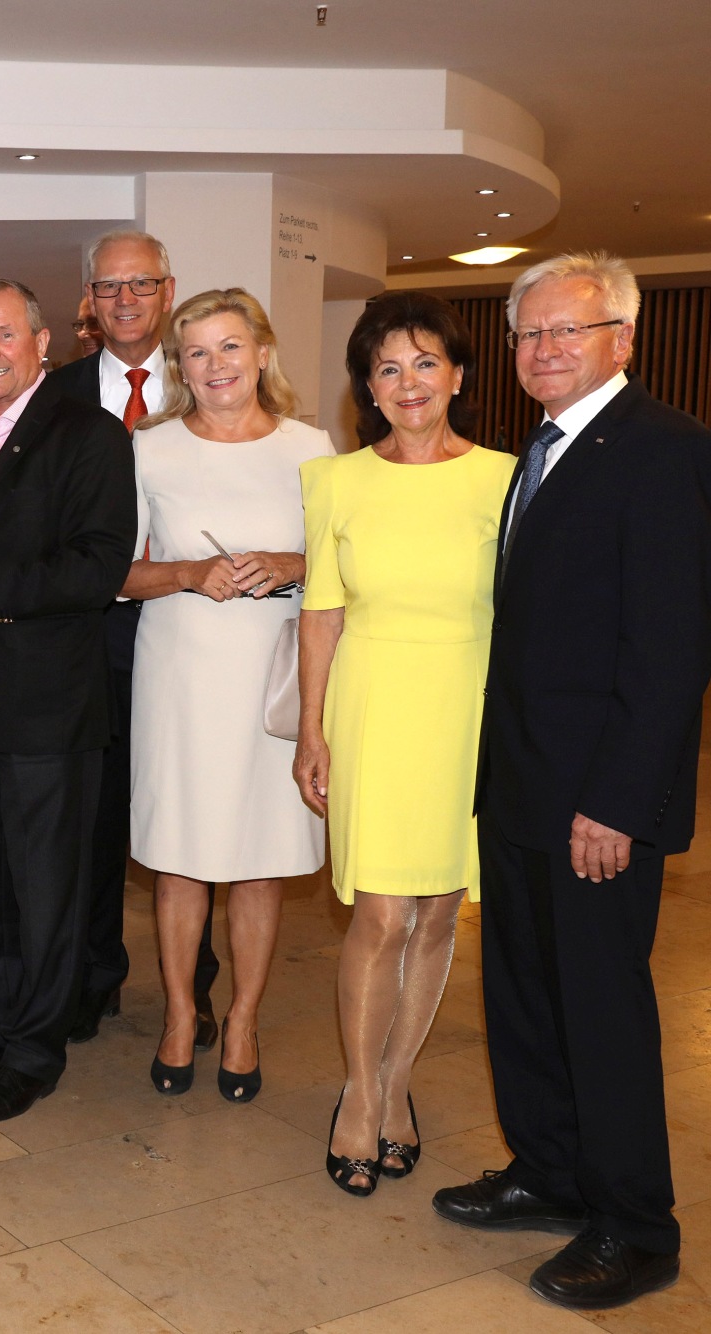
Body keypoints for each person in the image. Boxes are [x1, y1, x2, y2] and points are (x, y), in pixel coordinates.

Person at [433, 252, 711, 1311]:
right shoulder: (537, 452)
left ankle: (636, 1224)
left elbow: (668, 649)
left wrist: (617, 801)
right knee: (521, 999)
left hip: (592, 802)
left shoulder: (663, 451)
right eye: (527, 334)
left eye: (567, 330)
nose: (542, 350)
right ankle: (548, 1168)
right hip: (517, 789)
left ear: (622, 339)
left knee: (599, 1010)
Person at [296, 293, 513, 1195]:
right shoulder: (334, 481)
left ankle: (397, 1083)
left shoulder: (508, 476)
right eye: (389, 367)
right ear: (368, 388)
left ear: (458, 375)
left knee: (436, 911)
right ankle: (357, 1090)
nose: (409, 382)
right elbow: (321, 610)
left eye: (427, 363)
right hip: (374, 705)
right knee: (382, 912)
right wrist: (310, 727)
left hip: (470, 706)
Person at [0, 279, 136, 1123]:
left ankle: (37, 1053)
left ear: (44, 343)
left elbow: (97, 569)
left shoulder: (89, 437)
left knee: (45, 887)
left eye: (4, 335)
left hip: (48, 703)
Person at [124, 287, 327, 1102]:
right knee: (179, 862)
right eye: (197, 352)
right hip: (179, 672)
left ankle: (242, 1020)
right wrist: (188, 574)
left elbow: (346, 566)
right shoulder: (150, 449)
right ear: (181, 367)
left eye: (230, 347)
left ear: (263, 353)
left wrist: (289, 564)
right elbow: (118, 572)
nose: (216, 366)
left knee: (259, 863)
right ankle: (180, 1014)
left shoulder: (313, 449)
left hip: (272, 677)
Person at [39, 230, 220, 1049]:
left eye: (139, 285)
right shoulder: (57, 395)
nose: (123, 301)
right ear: (89, 299)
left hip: (194, 637)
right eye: (107, 287)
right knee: (93, 818)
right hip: (88, 640)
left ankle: (197, 987)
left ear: (168, 289)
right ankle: (92, 975)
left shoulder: (210, 381)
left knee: (194, 818)